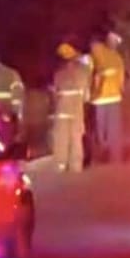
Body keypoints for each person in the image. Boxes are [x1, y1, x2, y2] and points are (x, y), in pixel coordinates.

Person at [51, 43, 91, 172]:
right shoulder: (83, 72)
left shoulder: (59, 74)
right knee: (76, 138)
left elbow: (55, 94)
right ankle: (76, 166)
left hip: (62, 110)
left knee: (61, 137)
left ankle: (60, 165)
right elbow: (87, 96)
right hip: (77, 110)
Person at [89, 31, 127, 163]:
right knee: (113, 130)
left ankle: (98, 158)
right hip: (114, 97)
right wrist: (120, 90)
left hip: (99, 98)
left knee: (99, 131)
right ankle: (115, 158)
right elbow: (121, 80)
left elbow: (90, 70)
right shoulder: (117, 57)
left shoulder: (97, 52)